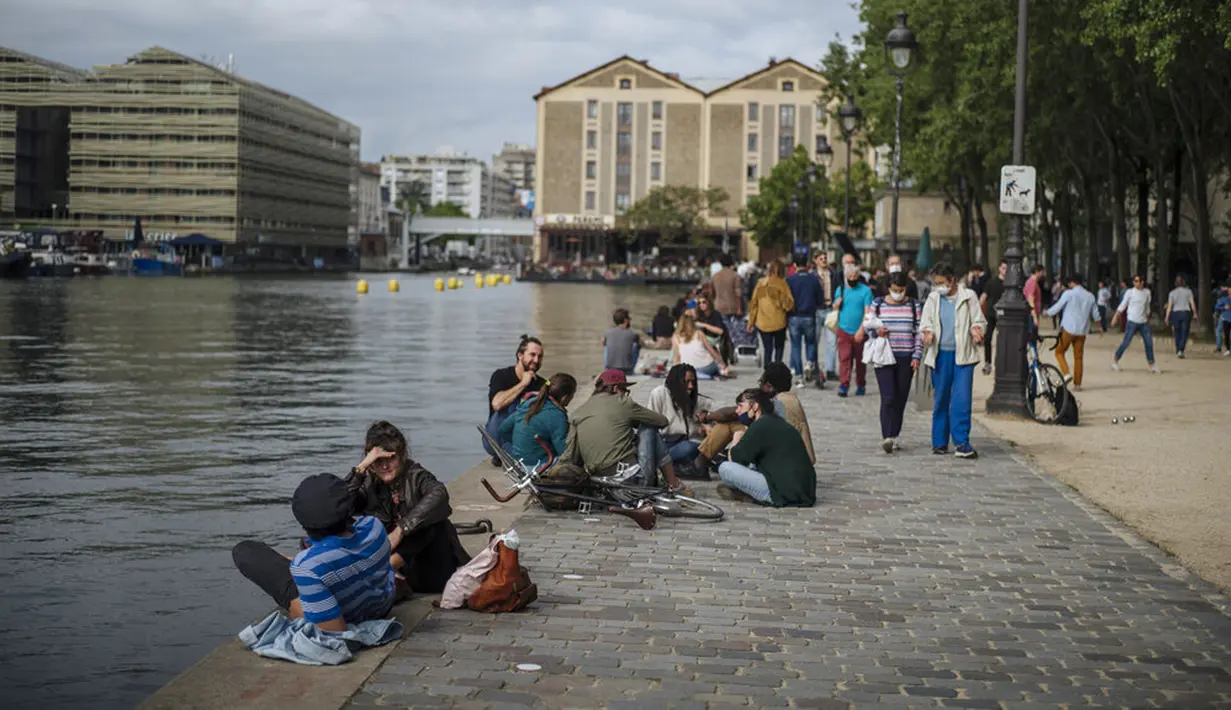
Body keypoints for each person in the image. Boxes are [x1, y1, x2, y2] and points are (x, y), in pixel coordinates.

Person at [232, 473, 396, 631]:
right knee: (309, 565)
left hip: (351, 618)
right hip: (383, 605)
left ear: (303, 523)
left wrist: (299, 569)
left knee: (245, 551)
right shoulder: (374, 526)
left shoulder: (306, 566)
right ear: (348, 509)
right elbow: (349, 551)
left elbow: (335, 631)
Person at [344, 421, 471, 593]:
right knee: (346, 526)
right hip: (393, 569)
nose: (385, 466)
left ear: (402, 455)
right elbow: (337, 507)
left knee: (430, 521)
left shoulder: (417, 476)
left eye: (391, 459)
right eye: (378, 460)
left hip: (429, 570)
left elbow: (439, 494)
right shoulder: (368, 484)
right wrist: (360, 469)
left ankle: (386, 568)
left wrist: (401, 530)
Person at [561, 369, 683, 490]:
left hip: (600, 482)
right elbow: (662, 421)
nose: (626, 394)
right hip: (633, 479)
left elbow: (570, 456)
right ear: (615, 389)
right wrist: (635, 421)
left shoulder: (578, 413)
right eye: (625, 390)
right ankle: (673, 484)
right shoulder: (623, 402)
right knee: (648, 427)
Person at [691, 363, 814, 472]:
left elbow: (732, 413)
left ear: (769, 386)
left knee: (728, 423)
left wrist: (708, 416)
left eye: (761, 382)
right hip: (800, 461)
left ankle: (699, 464)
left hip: (783, 460)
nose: (759, 386)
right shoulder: (791, 399)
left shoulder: (774, 403)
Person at [920, 264, 987, 459]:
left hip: (963, 356)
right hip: (940, 356)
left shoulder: (969, 297)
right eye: (936, 283)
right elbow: (925, 322)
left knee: (961, 399)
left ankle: (961, 442)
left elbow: (979, 319)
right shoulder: (933, 298)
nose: (939, 287)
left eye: (942, 283)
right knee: (941, 398)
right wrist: (927, 333)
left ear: (952, 281)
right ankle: (939, 442)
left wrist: (976, 330)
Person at [715, 389, 816, 508]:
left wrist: (736, 439)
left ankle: (755, 496)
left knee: (725, 468)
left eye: (741, 406)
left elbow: (735, 459)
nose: (737, 411)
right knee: (752, 465)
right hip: (805, 491)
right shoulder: (777, 421)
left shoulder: (760, 425)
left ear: (755, 406)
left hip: (784, 493)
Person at [868, 273, 922, 453]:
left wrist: (917, 356)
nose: (898, 293)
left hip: (906, 357)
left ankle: (895, 434)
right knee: (888, 397)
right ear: (888, 288)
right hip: (884, 356)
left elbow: (919, 332)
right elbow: (868, 327)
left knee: (900, 398)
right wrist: (877, 332)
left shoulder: (914, 305)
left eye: (901, 290)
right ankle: (887, 436)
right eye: (894, 290)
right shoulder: (878, 304)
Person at [484, 335, 546, 464]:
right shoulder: (501, 375)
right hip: (496, 435)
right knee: (515, 405)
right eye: (532, 355)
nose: (536, 360)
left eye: (540, 357)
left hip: (524, 439)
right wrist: (523, 383)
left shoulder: (542, 384)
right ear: (520, 355)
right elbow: (497, 404)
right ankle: (506, 453)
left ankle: (511, 454)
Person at [646, 364, 716, 476]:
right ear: (676, 382)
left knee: (695, 447)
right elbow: (650, 426)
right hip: (664, 445)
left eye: (693, 382)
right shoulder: (659, 394)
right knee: (690, 449)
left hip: (686, 443)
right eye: (687, 382)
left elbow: (715, 422)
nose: (691, 386)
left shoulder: (699, 401)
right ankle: (667, 464)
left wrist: (705, 424)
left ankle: (671, 466)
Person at [499, 373, 577, 472]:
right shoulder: (557, 416)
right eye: (573, 394)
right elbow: (563, 451)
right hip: (540, 466)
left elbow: (503, 429)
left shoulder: (528, 403)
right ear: (565, 397)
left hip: (517, 464)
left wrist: (521, 445)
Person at [1046, 274, 1103, 391]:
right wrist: (1100, 327)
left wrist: (1047, 312)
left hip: (1069, 328)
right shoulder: (1090, 296)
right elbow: (1096, 314)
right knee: (1078, 357)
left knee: (1059, 352)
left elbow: (1058, 307)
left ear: (1072, 282)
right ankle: (1078, 384)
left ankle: (1066, 373)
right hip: (1082, 331)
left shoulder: (1068, 294)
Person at [834, 254, 875, 397]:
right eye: (849, 277)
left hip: (859, 330)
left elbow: (867, 312)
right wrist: (836, 304)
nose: (852, 279)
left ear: (859, 276)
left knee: (860, 361)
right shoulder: (841, 289)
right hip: (843, 330)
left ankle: (860, 384)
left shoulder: (865, 291)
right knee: (844, 359)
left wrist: (861, 329)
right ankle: (844, 384)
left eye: (854, 276)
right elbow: (835, 308)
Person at [785, 254, 823, 384]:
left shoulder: (790, 280)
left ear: (794, 265)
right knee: (811, 343)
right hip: (809, 316)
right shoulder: (813, 279)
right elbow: (820, 299)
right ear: (807, 265)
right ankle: (809, 362)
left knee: (795, 346)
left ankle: (800, 376)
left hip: (794, 317)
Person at [1111, 274, 1161, 373]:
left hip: (1143, 322)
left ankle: (1152, 364)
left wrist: (1147, 316)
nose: (1135, 283)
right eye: (1134, 281)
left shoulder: (1147, 292)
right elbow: (1123, 304)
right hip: (1132, 321)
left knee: (1149, 343)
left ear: (1142, 282)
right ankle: (1115, 360)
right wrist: (1116, 316)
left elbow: (1147, 306)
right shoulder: (1130, 292)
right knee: (1126, 342)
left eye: (1137, 281)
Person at [746, 260, 793, 363]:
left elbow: (754, 304)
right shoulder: (782, 284)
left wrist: (751, 322)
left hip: (763, 322)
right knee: (779, 348)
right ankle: (777, 370)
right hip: (779, 322)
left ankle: (767, 372)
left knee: (767, 349)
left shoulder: (760, 283)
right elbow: (788, 305)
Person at [672, 313, 728, 378]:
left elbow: (677, 356)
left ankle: (698, 374)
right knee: (716, 368)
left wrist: (674, 372)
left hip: (688, 369)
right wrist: (722, 363)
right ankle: (704, 375)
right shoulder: (699, 334)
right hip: (707, 367)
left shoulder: (676, 337)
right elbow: (711, 351)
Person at [812, 251, 839, 382]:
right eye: (820, 258)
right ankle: (814, 367)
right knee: (814, 341)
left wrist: (838, 300)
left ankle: (831, 370)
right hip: (817, 310)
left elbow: (839, 288)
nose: (823, 260)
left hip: (830, 310)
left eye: (825, 258)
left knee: (832, 341)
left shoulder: (833, 273)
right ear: (815, 260)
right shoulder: (812, 275)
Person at [979, 262, 1006, 375]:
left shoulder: (1010, 284)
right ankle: (988, 362)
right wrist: (978, 311)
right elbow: (984, 296)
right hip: (990, 313)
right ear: (999, 268)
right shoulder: (991, 282)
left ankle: (1001, 362)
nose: (1005, 270)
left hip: (1004, 315)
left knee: (1003, 340)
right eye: (1004, 268)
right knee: (988, 338)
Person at [692, 294, 730, 365]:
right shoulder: (699, 315)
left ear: (708, 303)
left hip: (714, 338)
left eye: (704, 302)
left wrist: (704, 325)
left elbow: (720, 331)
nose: (701, 304)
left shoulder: (715, 314)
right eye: (699, 303)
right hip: (703, 338)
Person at [1164, 275, 1196, 358]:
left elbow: (1170, 306)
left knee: (1177, 332)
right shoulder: (1189, 292)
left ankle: (1178, 349)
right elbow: (1192, 303)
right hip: (1185, 312)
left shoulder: (1172, 293)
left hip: (1176, 313)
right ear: (1184, 283)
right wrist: (1195, 313)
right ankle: (1181, 349)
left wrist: (1167, 317)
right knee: (1184, 332)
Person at [602, 308, 641, 374]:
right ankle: (630, 369)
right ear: (626, 320)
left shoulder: (607, 333)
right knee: (636, 345)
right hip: (627, 369)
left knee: (606, 345)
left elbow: (604, 343)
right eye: (629, 319)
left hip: (610, 368)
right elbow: (641, 344)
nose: (630, 320)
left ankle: (607, 368)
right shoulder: (633, 334)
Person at [1022, 265, 1046, 336]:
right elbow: (1030, 300)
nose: (1042, 274)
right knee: (1032, 335)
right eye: (1042, 272)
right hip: (1031, 314)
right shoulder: (1032, 283)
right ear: (1037, 272)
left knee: (1033, 335)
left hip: (1032, 313)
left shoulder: (1032, 282)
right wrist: (1035, 317)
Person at [1215, 284, 1231, 355]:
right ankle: (1224, 348)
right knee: (1224, 333)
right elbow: (1217, 306)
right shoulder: (1224, 298)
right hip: (1225, 318)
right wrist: (1224, 307)